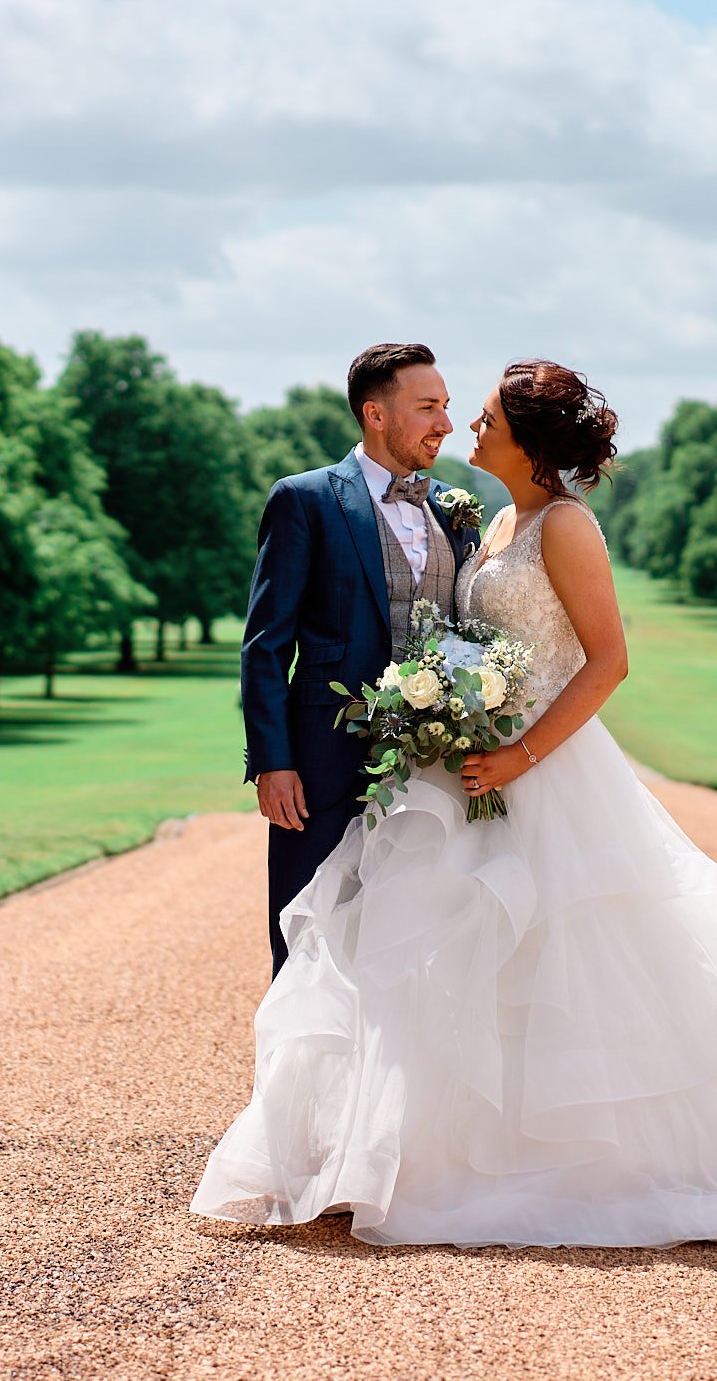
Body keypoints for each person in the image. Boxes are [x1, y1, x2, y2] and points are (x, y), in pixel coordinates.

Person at [196, 358, 717, 1249]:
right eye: (441, 408)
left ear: (525, 437)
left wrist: (516, 751)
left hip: (538, 771)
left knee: (563, 957)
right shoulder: (472, 514)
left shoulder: (551, 523)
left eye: (474, 415)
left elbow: (607, 659)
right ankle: (373, 1152)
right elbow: (297, 637)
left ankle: (578, 1161)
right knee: (407, 952)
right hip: (434, 767)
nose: (460, 426)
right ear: (376, 412)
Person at [238, 342, 480, 976]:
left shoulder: (454, 510)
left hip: (434, 768)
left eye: (447, 407)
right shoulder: (305, 500)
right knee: (307, 934)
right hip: (322, 765)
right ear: (376, 414)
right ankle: (297, 1077)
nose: (446, 425)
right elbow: (266, 645)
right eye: (428, 408)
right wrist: (273, 762)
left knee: (425, 945)